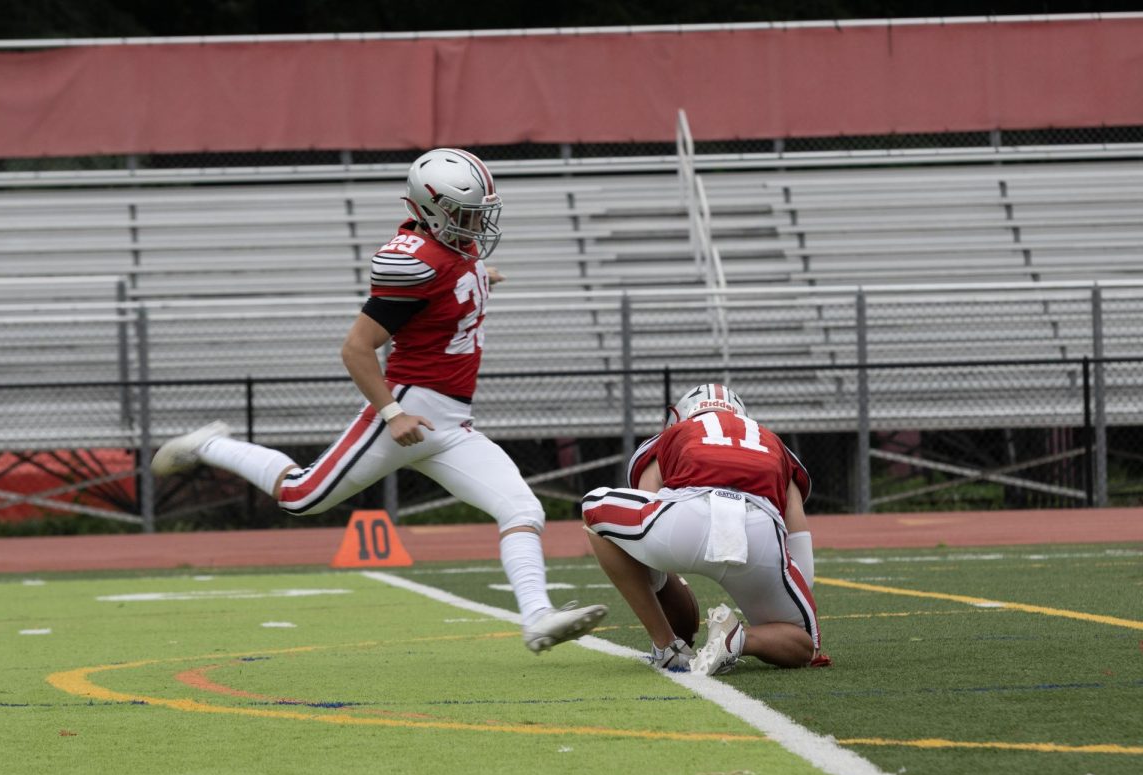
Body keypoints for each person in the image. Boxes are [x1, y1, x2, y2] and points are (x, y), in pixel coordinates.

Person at [152, 147, 606, 653]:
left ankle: (537, 617)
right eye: (465, 212)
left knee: (521, 507)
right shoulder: (414, 262)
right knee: (301, 496)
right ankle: (211, 444)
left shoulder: (453, 250)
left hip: (452, 423)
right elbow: (356, 347)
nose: (477, 222)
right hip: (412, 406)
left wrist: (481, 279)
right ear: (433, 209)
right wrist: (391, 412)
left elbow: (447, 294)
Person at [581, 383, 824, 674]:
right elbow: (796, 528)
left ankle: (666, 646)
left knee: (594, 507)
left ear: (679, 416)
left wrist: (660, 582)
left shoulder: (672, 435)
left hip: (686, 519)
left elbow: (648, 499)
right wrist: (790, 587)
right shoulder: (774, 444)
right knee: (804, 643)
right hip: (758, 532)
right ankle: (738, 639)